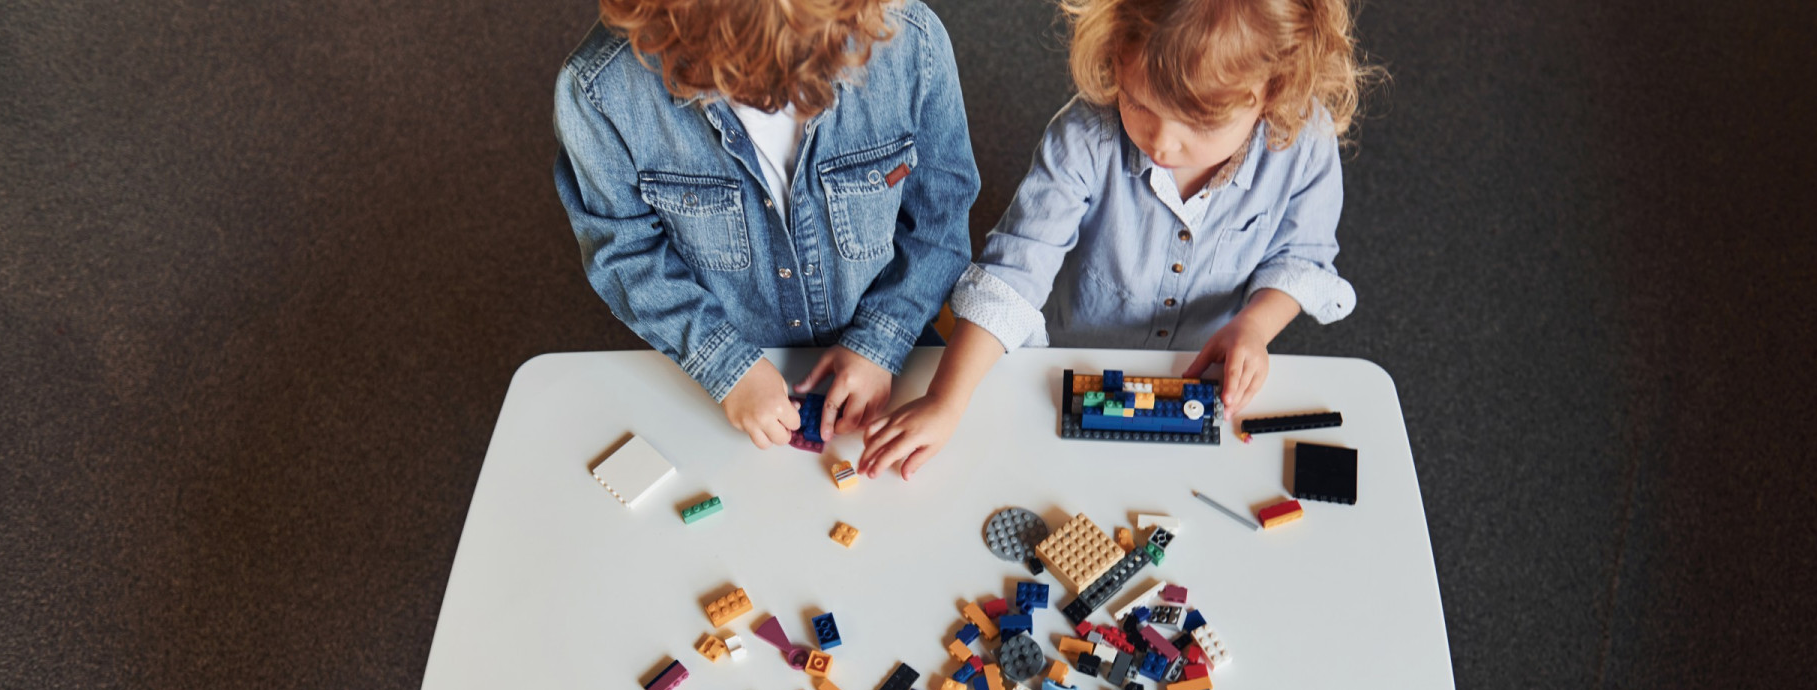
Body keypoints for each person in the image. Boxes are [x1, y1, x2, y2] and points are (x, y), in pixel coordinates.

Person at [860, 0, 1373, 478]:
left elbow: (1299, 256)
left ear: (1274, 90)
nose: (1162, 143)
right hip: (1074, 361)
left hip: (1197, 375)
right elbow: (1013, 272)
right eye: (1138, 103)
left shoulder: (1304, 143)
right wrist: (946, 401)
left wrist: (1255, 326)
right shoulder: (1086, 135)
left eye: (1200, 125)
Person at [554, 0, 978, 447]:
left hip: (896, 342)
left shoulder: (910, 39)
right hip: (723, 367)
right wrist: (726, 365)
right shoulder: (599, 89)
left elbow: (940, 217)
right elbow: (625, 251)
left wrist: (880, 342)